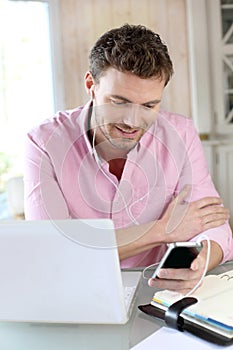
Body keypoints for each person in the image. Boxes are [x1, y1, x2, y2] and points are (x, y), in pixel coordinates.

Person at [24, 24, 233, 294]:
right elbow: (50, 250)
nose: (132, 122)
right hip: (74, 290)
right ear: (91, 85)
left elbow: (215, 229)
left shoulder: (180, 134)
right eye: (119, 102)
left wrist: (201, 262)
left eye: (149, 106)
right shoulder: (43, 142)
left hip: (156, 293)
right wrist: (162, 231)